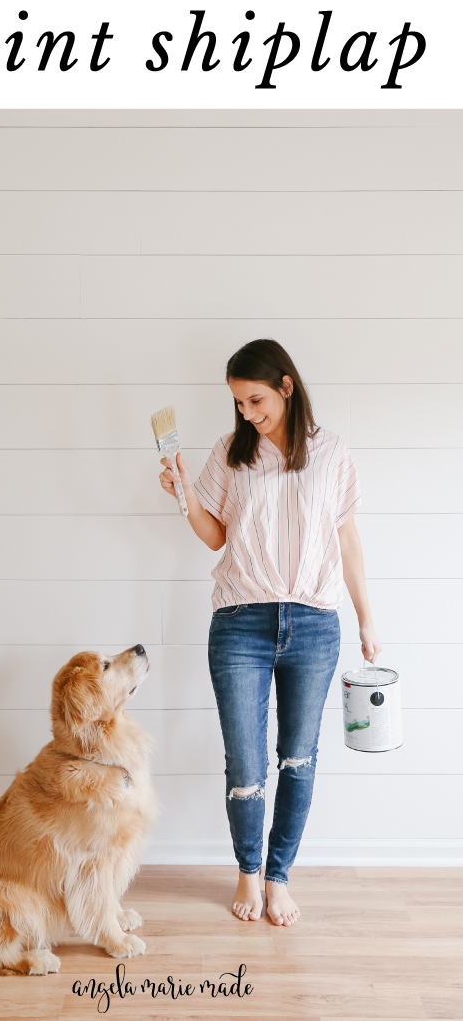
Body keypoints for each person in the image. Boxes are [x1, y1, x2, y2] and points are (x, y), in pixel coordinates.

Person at [158, 338, 382, 927]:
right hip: (240, 622)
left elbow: (349, 541)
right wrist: (183, 494)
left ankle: (279, 877)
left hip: (313, 622)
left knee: (299, 759)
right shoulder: (231, 452)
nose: (247, 413)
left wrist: (368, 620)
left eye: (255, 399)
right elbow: (215, 536)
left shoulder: (331, 452)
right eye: (237, 403)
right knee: (245, 763)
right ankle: (248, 873)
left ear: (286, 385)